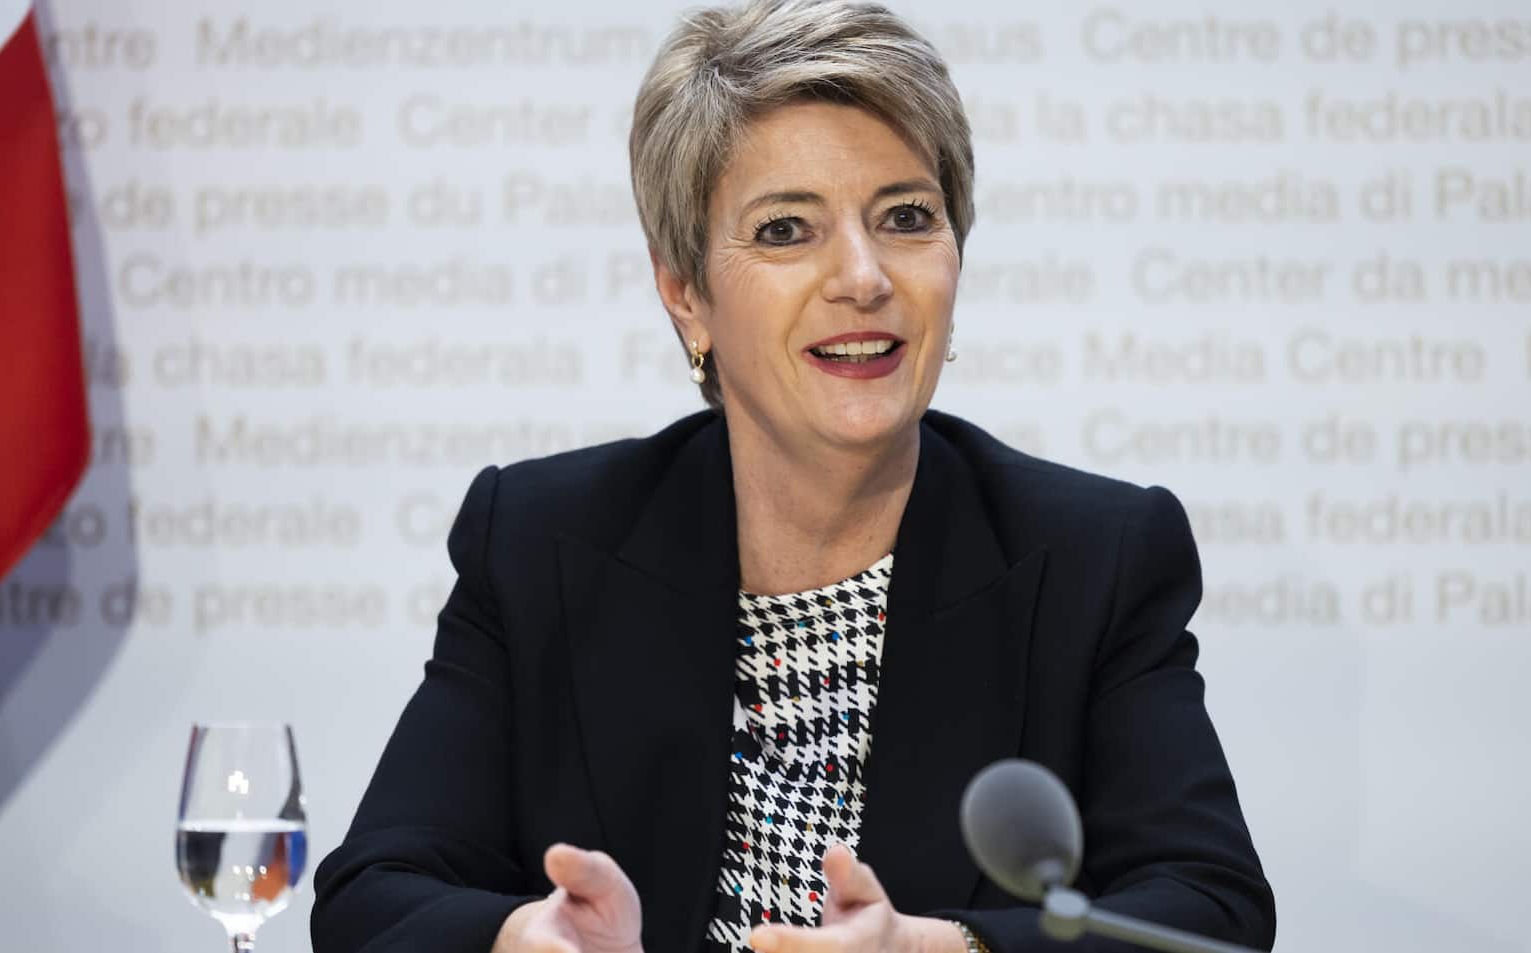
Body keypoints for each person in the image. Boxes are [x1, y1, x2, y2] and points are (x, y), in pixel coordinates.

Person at [310, 1, 1276, 952]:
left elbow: (1211, 911)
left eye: (905, 218)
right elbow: (371, 898)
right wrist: (524, 937)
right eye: (784, 230)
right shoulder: (537, 540)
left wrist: (939, 951)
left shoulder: (1094, 557)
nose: (863, 277)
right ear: (684, 293)